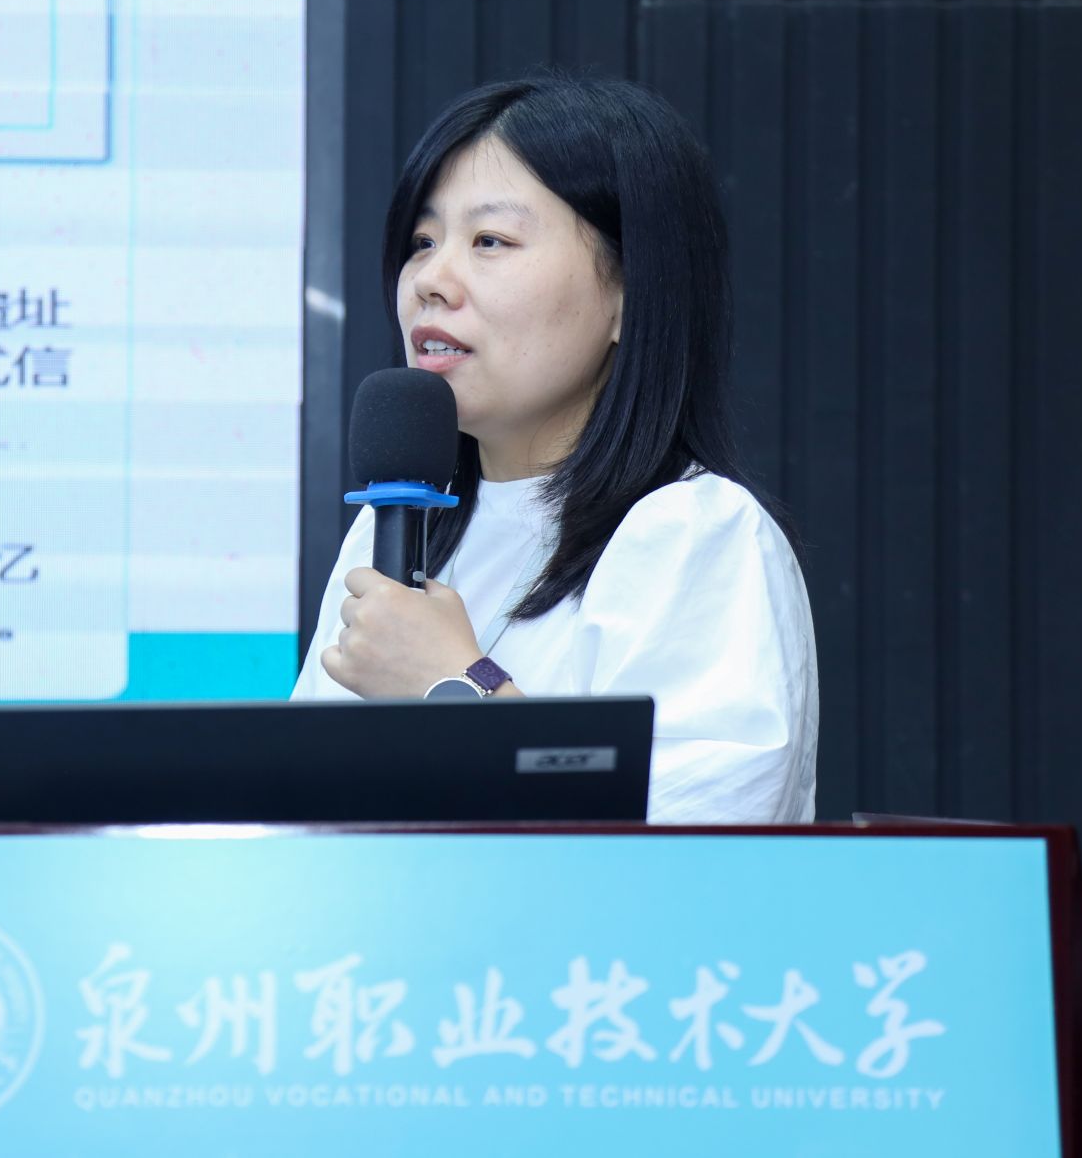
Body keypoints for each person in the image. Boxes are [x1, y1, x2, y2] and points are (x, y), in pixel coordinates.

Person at [291, 75, 817, 824]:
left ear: (630, 292)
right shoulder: (391, 535)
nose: (431, 281)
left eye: (490, 241)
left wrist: (454, 685)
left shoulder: (695, 534)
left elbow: (690, 856)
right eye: (422, 243)